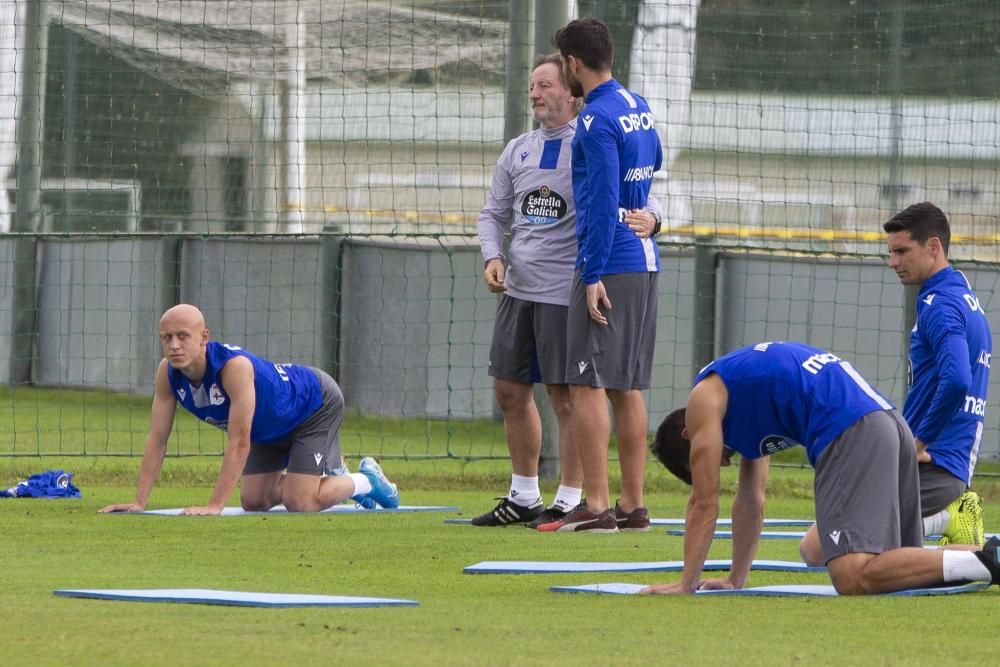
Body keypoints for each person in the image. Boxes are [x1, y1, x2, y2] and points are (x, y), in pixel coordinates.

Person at [646, 341, 1000, 595]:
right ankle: (987, 558)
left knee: (850, 575)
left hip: (852, 429)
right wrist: (735, 579)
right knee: (889, 566)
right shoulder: (743, 395)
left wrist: (685, 584)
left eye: (714, 459)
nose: (723, 462)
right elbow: (751, 500)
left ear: (688, 433)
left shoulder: (703, 399)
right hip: (890, 425)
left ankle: (985, 560)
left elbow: (704, 501)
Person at [475, 53, 661, 529]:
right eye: (531, 85)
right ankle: (523, 494)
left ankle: (574, 496)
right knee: (509, 390)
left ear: (571, 89)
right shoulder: (518, 149)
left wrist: (658, 220)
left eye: (545, 84)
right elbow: (491, 214)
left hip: (570, 289)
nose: (535, 93)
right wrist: (493, 255)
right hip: (521, 291)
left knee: (569, 396)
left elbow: (634, 195)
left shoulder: (595, 133)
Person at [800, 203, 990, 564]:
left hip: (929, 466)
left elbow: (957, 380)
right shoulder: (964, 294)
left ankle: (953, 515)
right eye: (891, 252)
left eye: (902, 251)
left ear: (933, 247)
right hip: (944, 464)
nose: (893, 262)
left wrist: (915, 443)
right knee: (885, 551)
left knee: (815, 549)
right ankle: (953, 523)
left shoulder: (939, 304)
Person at [537, 18, 663, 533]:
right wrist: (654, 220)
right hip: (645, 257)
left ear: (572, 64)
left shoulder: (594, 120)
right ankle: (633, 506)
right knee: (628, 387)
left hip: (609, 262)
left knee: (586, 384)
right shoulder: (637, 107)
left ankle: (596, 504)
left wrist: (590, 273)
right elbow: (651, 168)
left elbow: (599, 200)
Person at [99, 304, 399, 515]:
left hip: (313, 404)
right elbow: (157, 439)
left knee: (301, 502)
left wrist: (214, 506)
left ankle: (366, 481)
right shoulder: (167, 372)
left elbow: (239, 443)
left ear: (204, 338)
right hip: (269, 428)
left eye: (183, 336)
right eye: (167, 338)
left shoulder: (233, 368)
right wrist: (139, 501)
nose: (174, 345)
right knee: (254, 502)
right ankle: (329, 478)